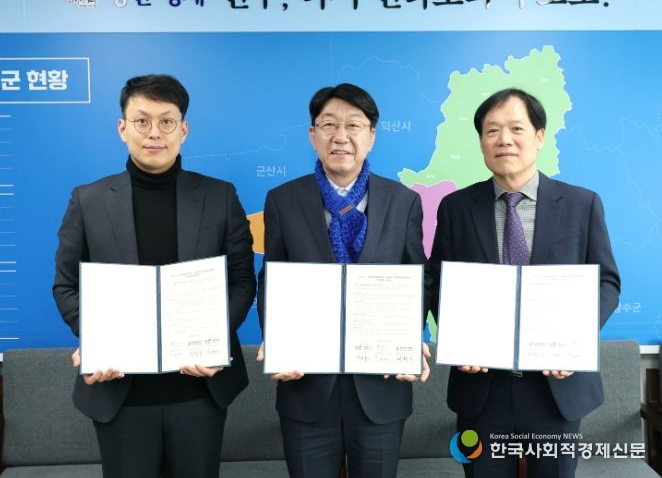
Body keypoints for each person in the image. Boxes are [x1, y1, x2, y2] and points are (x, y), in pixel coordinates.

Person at [53, 74, 256, 478]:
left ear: (184, 129)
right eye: (142, 121)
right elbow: (66, 285)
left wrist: (215, 341)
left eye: (166, 121)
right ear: (122, 128)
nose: (154, 133)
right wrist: (96, 338)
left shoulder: (219, 197)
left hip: (199, 390)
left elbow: (242, 281)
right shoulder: (88, 200)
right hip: (119, 391)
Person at [426, 88, 621, 478]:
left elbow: (606, 282)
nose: (504, 140)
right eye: (492, 130)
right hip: (482, 389)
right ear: (481, 141)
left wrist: (575, 339)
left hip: (556, 388)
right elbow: (438, 281)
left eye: (516, 128)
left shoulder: (582, 204)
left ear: (539, 136)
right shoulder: (456, 207)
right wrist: (460, 339)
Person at [256, 83, 430, 478]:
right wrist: (278, 340)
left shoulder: (404, 202)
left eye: (354, 125)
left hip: (381, 388)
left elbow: (418, 279)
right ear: (312, 134)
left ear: (371, 136)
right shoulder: (283, 200)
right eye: (329, 124)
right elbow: (272, 280)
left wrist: (409, 337)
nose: (341, 136)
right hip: (305, 387)